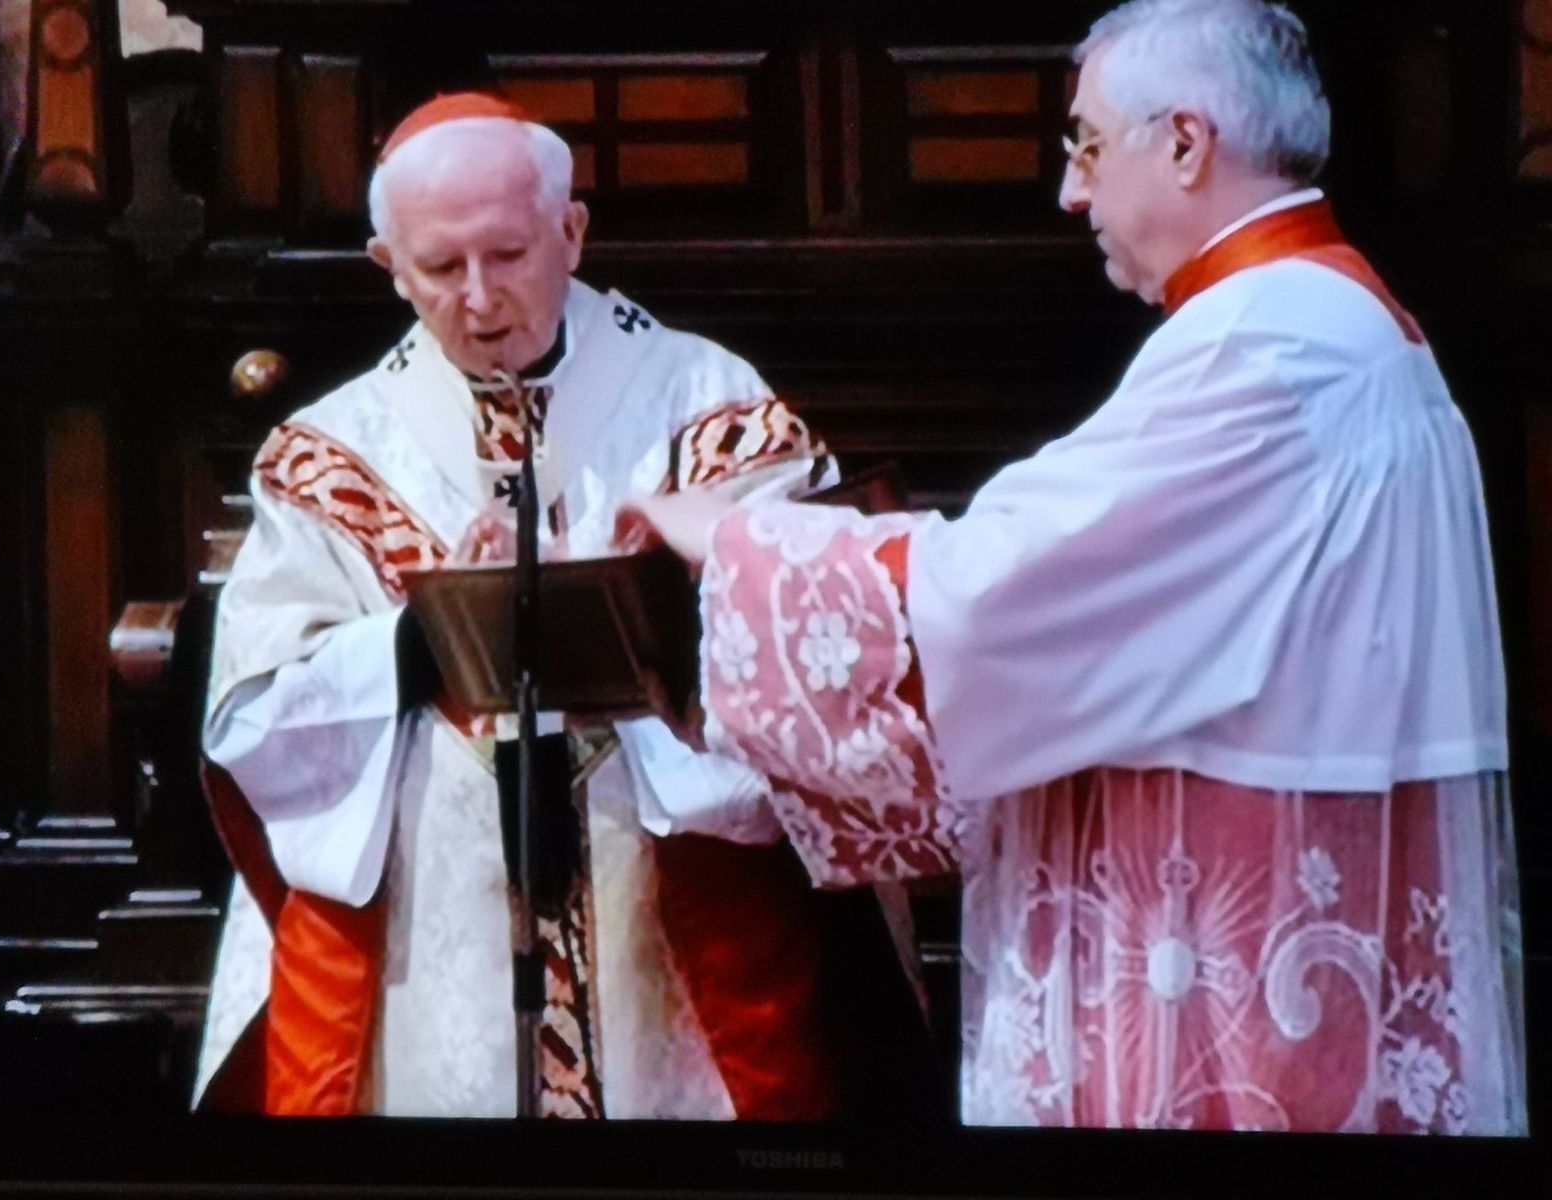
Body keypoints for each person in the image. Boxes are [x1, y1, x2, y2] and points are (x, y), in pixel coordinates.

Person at [624, 0, 1527, 1133]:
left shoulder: (1268, 339)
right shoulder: (1329, 316)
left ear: (1186, 142)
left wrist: (738, 539)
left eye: (1087, 146)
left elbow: (997, 593)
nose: (1070, 192)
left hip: (1237, 927)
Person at [193, 92, 934, 1119]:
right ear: (388, 266)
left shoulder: (706, 403)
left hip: (669, 922)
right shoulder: (331, 454)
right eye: (440, 268)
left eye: (509, 254)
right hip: (432, 934)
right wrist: (426, 635)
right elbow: (257, 719)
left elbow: (815, 645)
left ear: (572, 232)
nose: (480, 298)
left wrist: (631, 600)